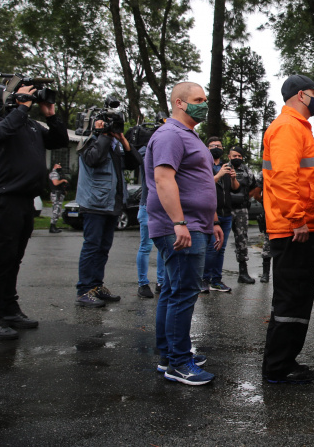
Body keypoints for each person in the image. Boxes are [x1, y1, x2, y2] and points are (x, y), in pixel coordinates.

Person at [0, 81, 69, 339]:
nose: (31, 97)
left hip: (25, 200)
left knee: (13, 258)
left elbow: (59, 140)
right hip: (2, 199)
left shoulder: (30, 125)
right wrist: (21, 106)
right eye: (26, 91)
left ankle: (8, 309)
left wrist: (51, 115)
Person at [147, 82, 223, 386]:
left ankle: (169, 354)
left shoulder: (189, 136)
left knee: (173, 290)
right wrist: (179, 222)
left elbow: (201, 181)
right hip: (181, 226)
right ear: (179, 103)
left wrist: (213, 219)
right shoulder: (170, 135)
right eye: (197, 100)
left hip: (196, 223)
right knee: (183, 293)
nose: (203, 104)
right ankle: (179, 363)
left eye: (205, 99)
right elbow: (164, 179)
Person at [261, 74, 314, 384]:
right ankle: (277, 367)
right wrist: (297, 219)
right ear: (301, 95)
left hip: (303, 227)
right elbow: (283, 178)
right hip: (294, 228)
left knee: (298, 297)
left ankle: (285, 362)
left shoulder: (298, 128)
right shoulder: (288, 127)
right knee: (290, 298)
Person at [74, 114, 142, 307]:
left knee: (103, 249)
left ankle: (96, 286)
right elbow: (93, 159)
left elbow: (134, 162)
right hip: (95, 204)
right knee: (91, 247)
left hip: (112, 204)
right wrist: (103, 134)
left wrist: (122, 139)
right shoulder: (90, 141)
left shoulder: (116, 145)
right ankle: (84, 291)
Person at [128, 123, 165, 299]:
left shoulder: (165, 150)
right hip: (147, 205)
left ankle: (161, 282)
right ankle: (143, 284)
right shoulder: (145, 152)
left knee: (162, 247)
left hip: (164, 206)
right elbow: (136, 156)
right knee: (146, 246)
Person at [202, 137, 242, 293]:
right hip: (212, 214)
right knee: (212, 248)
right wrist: (218, 175)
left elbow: (236, 188)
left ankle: (216, 280)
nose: (216, 148)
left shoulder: (226, 166)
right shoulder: (204, 165)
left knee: (221, 248)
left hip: (226, 213)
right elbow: (203, 185)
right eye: (212, 146)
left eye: (218, 146)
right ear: (207, 148)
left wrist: (232, 178)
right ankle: (204, 279)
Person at [228, 146, 256, 284]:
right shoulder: (223, 168)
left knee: (242, 240)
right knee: (216, 242)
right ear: (229, 157)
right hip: (225, 210)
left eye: (239, 156)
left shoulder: (246, 170)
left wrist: (245, 198)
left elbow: (254, 186)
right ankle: (211, 276)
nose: (237, 158)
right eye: (234, 156)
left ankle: (243, 273)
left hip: (242, 210)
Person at [249, 175, 273, 283]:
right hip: (269, 214)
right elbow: (256, 194)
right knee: (267, 244)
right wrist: (266, 203)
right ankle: (265, 273)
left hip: (285, 212)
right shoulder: (263, 173)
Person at [48, 163, 68, 233]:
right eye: (58, 166)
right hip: (56, 194)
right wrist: (63, 180)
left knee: (58, 210)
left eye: (60, 165)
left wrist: (64, 190)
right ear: (54, 166)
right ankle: (52, 226)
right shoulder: (54, 173)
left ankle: (54, 225)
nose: (60, 167)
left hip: (59, 193)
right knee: (56, 210)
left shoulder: (57, 173)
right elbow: (55, 183)